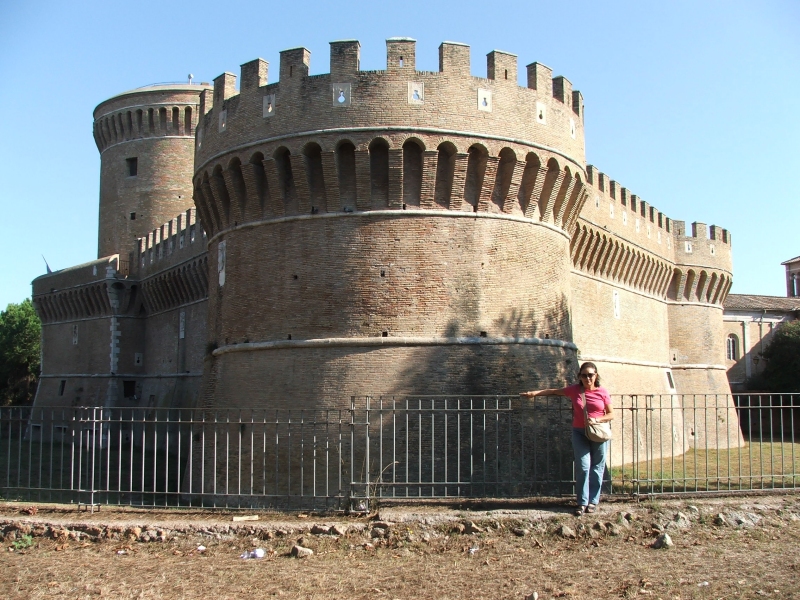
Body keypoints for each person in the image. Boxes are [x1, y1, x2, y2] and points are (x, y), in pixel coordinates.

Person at [520, 362, 613, 516]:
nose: (588, 378)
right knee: (583, 467)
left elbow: (611, 414)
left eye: (590, 375)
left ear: (596, 375)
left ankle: (593, 501)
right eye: (584, 375)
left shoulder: (602, 392)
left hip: (599, 433)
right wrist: (534, 393)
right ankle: (582, 502)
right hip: (579, 432)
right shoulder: (575, 390)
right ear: (580, 376)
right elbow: (554, 392)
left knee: (597, 468)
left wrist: (597, 420)